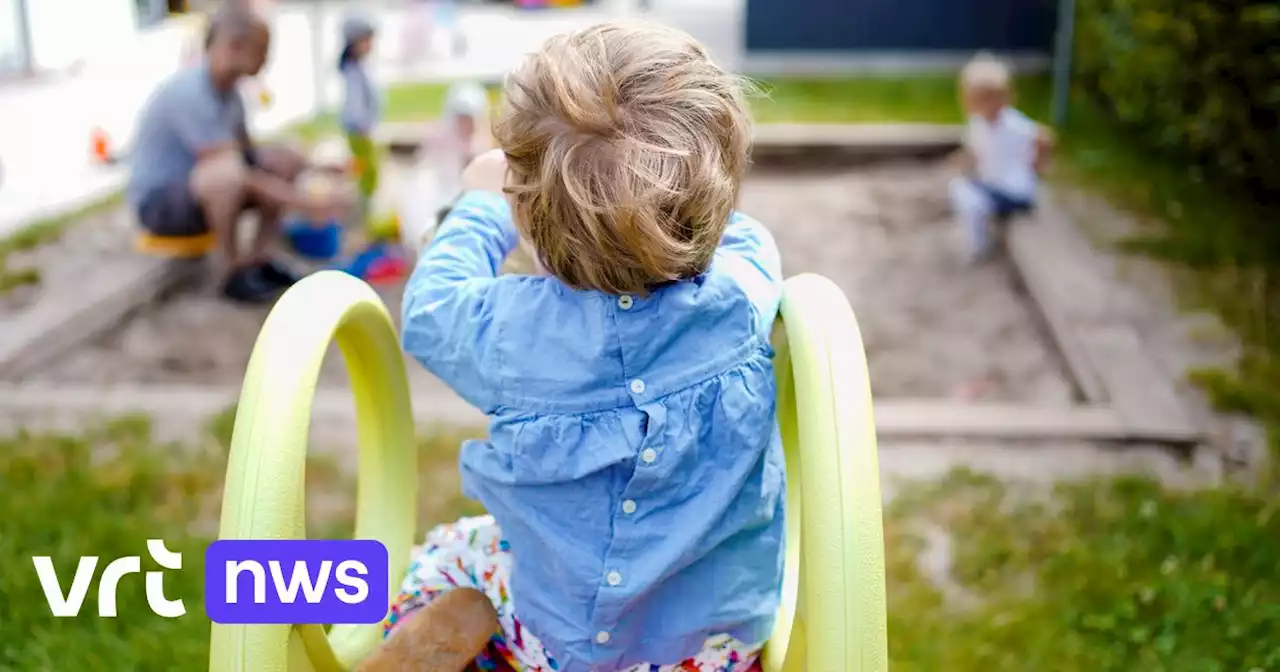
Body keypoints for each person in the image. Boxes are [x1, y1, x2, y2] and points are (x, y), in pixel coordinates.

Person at [360, 22, 782, 672]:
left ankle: (465, 635)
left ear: (525, 212)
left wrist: (480, 205)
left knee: (455, 556)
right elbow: (737, 231)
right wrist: (653, 215)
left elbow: (430, 308)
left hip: (562, 638)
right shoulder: (744, 291)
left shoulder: (518, 331)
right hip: (710, 643)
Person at [127, 8, 346, 302]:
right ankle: (232, 273)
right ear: (234, 46)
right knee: (225, 174)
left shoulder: (230, 94)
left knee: (283, 158)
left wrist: (314, 165)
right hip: (161, 205)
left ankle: (258, 261)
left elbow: (250, 156)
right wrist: (303, 202)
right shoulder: (190, 91)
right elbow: (234, 171)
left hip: (200, 190)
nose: (267, 60)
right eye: (263, 50)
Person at [948, 53, 1054, 263]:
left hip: (1014, 191)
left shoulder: (1012, 123)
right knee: (963, 188)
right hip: (996, 186)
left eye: (992, 98)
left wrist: (1039, 166)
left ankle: (978, 246)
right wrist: (963, 161)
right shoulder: (977, 124)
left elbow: (1044, 137)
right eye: (981, 99)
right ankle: (981, 236)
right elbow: (977, 154)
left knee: (964, 195)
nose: (988, 104)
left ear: (1005, 97)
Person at [338, 14, 382, 222]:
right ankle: (363, 212)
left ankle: (366, 208)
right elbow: (355, 102)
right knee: (365, 170)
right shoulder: (353, 71)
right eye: (366, 40)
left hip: (364, 128)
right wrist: (362, 125)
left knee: (369, 171)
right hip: (360, 129)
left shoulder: (361, 67)